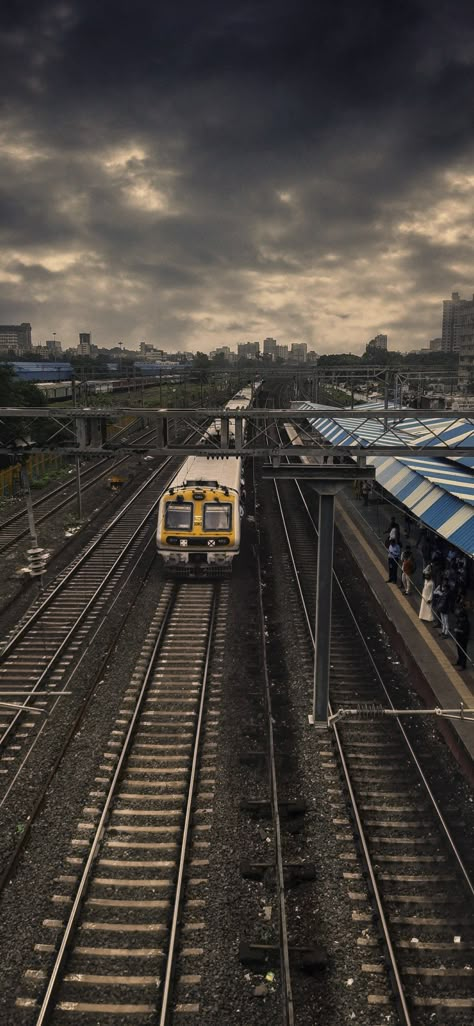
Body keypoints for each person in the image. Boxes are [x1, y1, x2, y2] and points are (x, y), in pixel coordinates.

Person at [454, 601, 470, 669]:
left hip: (463, 639)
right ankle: (459, 661)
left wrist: (458, 630)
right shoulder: (459, 620)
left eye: (460, 617)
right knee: (459, 650)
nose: (459, 618)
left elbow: (465, 632)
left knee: (463, 651)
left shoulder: (466, 623)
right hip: (458, 637)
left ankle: (463, 665)